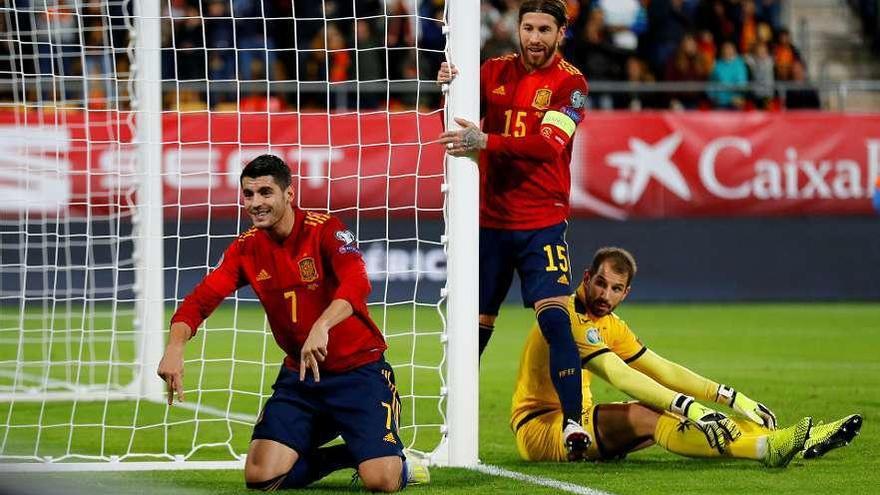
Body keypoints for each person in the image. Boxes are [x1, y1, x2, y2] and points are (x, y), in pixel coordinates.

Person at [157, 155, 428, 491]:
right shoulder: (245, 249)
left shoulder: (326, 229)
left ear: (289, 194)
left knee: (383, 480)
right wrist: (174, 346)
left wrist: (322, 325)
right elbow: (199, 302)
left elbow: (357, 284)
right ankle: (352, 454)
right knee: (262, 478)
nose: (256, 203)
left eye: (265, 192)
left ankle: (396, 460)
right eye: (248, 194)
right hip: (302, 377)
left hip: (358, 373)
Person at [512, 246, 863, 465]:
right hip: (543, 427)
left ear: (626, 292)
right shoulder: (568, 316)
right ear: (586, 278)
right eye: (601, 283)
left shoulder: (610, 323)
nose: (606, 294)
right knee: (649, 414)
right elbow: (622, 377)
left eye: (616, 288)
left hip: (579, 419)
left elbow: (660, 369)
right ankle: (765, 450)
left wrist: (728, 396)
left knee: (681, 416)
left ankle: (797, 438)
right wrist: (690, 406)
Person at [437, 0, 591, 460]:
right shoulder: (491, 72)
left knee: (555, 318)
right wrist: (443, 89)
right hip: (487, 222)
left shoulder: (572, 84)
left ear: (561, 33)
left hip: (542, 220)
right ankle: (452, 420)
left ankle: (573, 425)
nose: (535, 38)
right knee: (475, 326)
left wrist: (487, 141)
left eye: (545, 29)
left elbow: (548, 146)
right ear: (517, 29)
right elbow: (449, 124)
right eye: (529, 28)